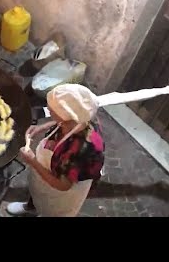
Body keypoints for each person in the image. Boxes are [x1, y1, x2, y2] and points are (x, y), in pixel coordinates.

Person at [7, 84, 105, 217]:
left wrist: (33, 161)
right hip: (48, 173)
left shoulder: (80, 149)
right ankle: (31, 207)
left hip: (61, 194)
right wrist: (42, 127)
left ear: (66, 115)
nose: (48, 110)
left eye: (52, 110)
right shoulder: (82, 117)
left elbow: (63, 185)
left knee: (51, 210)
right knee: (38, 195)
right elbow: (64, 121)